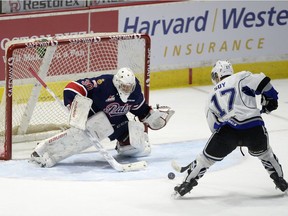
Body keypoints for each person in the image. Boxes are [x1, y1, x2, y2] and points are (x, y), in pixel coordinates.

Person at [174, 60, 288, 196]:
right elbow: (263, 81)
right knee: (266, 154)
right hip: (254, 128)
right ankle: (280, 180)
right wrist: (271, 99)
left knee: (205, 159)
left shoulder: (210, 96)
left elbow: (214, 127)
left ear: (217, 75)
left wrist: (223, 141)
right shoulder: (241, 77)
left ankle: (186, 183)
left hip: (228, 133)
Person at [31, 67, 174, 168]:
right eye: (124, 87)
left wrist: (151, 116)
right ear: (118, 83)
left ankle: (122, 144)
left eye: (129, 87)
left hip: (118, 122)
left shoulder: (135, 91)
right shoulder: (103, 84)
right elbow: (71, 88)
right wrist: (74, 104)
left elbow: (140, 110)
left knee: (138, 147)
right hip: (96, 118)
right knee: (85, 135)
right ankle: (43, 150)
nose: (127, 90)